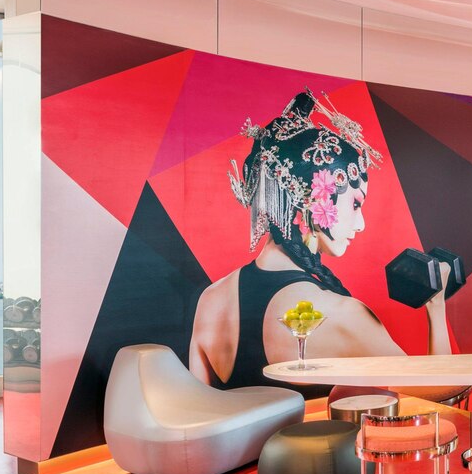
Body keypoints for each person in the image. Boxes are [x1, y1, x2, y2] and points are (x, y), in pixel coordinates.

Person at [189, 89, 452, 391]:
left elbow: (200, 408)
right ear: (315, 201)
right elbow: (439, 392)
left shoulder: (211, 299)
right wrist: (436, 304)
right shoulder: (340, 314)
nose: (361, 224)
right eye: (355, 203)